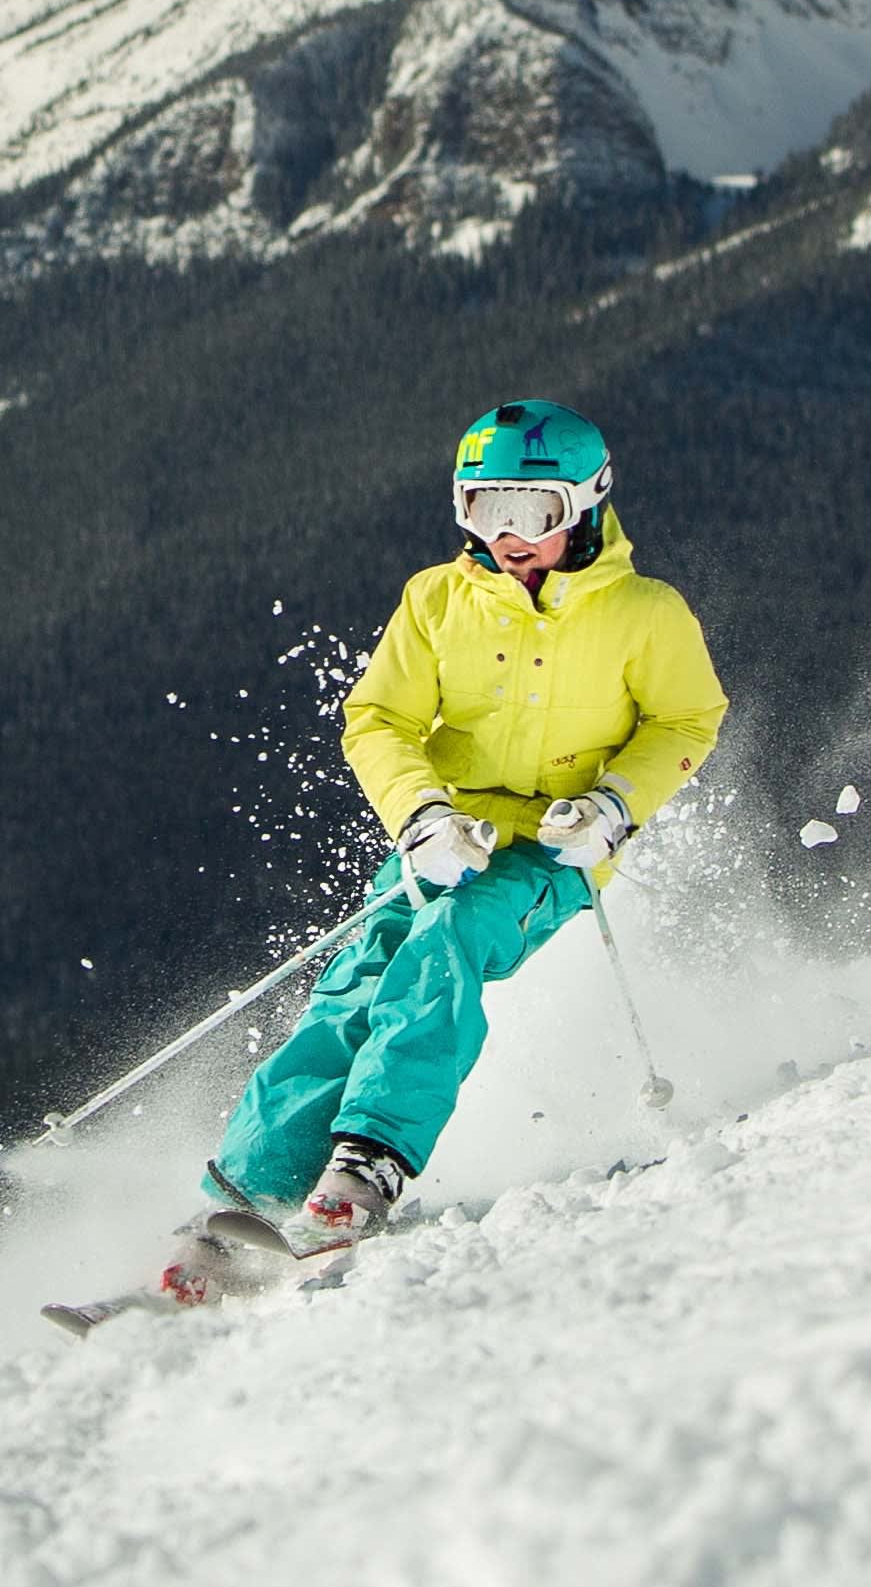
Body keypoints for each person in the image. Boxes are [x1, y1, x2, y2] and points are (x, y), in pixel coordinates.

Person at [166, 399, 725, 1301]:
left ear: (586, 502)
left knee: (448, 942)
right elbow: (377, 717)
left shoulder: (645, 615)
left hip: (551, 850)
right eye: (484, 508)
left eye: (534, 512)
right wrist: (421, 815)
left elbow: (688, 716)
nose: (509, 536)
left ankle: (368, 1163)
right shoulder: (438, 600)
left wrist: (614, 806)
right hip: (446, 836)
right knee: (353, 988)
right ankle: (239, 1203)